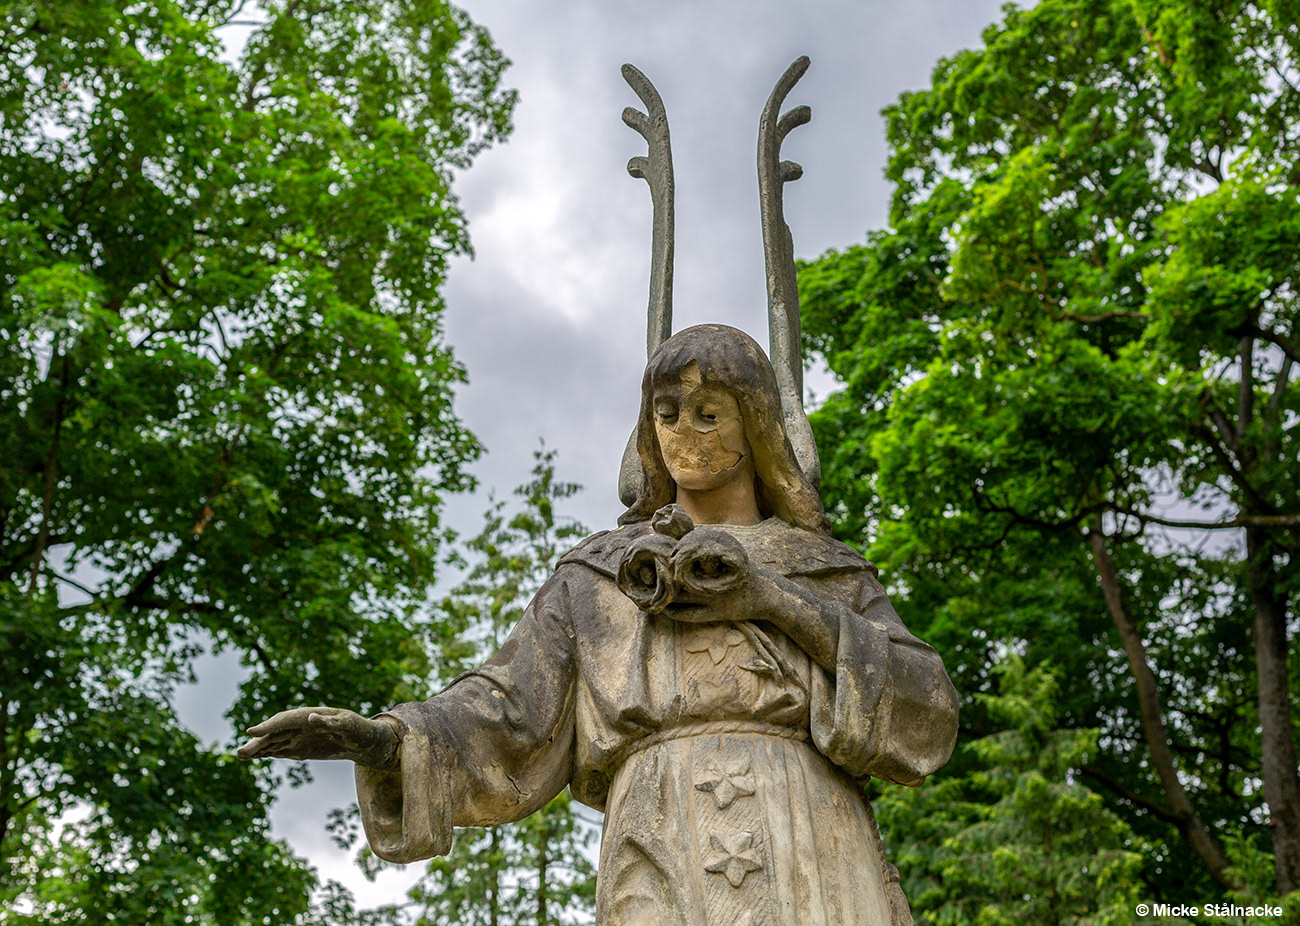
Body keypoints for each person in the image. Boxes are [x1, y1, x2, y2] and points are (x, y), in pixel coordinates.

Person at [239, 324, 958, 926]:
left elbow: (926, 709)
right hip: (658, 824)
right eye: (667, 412)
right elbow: (507, 709)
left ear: (757, 423)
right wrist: (388, 740)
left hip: (805, 828)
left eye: (710, 413)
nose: (685, 433)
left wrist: (772, 601)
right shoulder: (598, 575)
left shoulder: (823, 566)